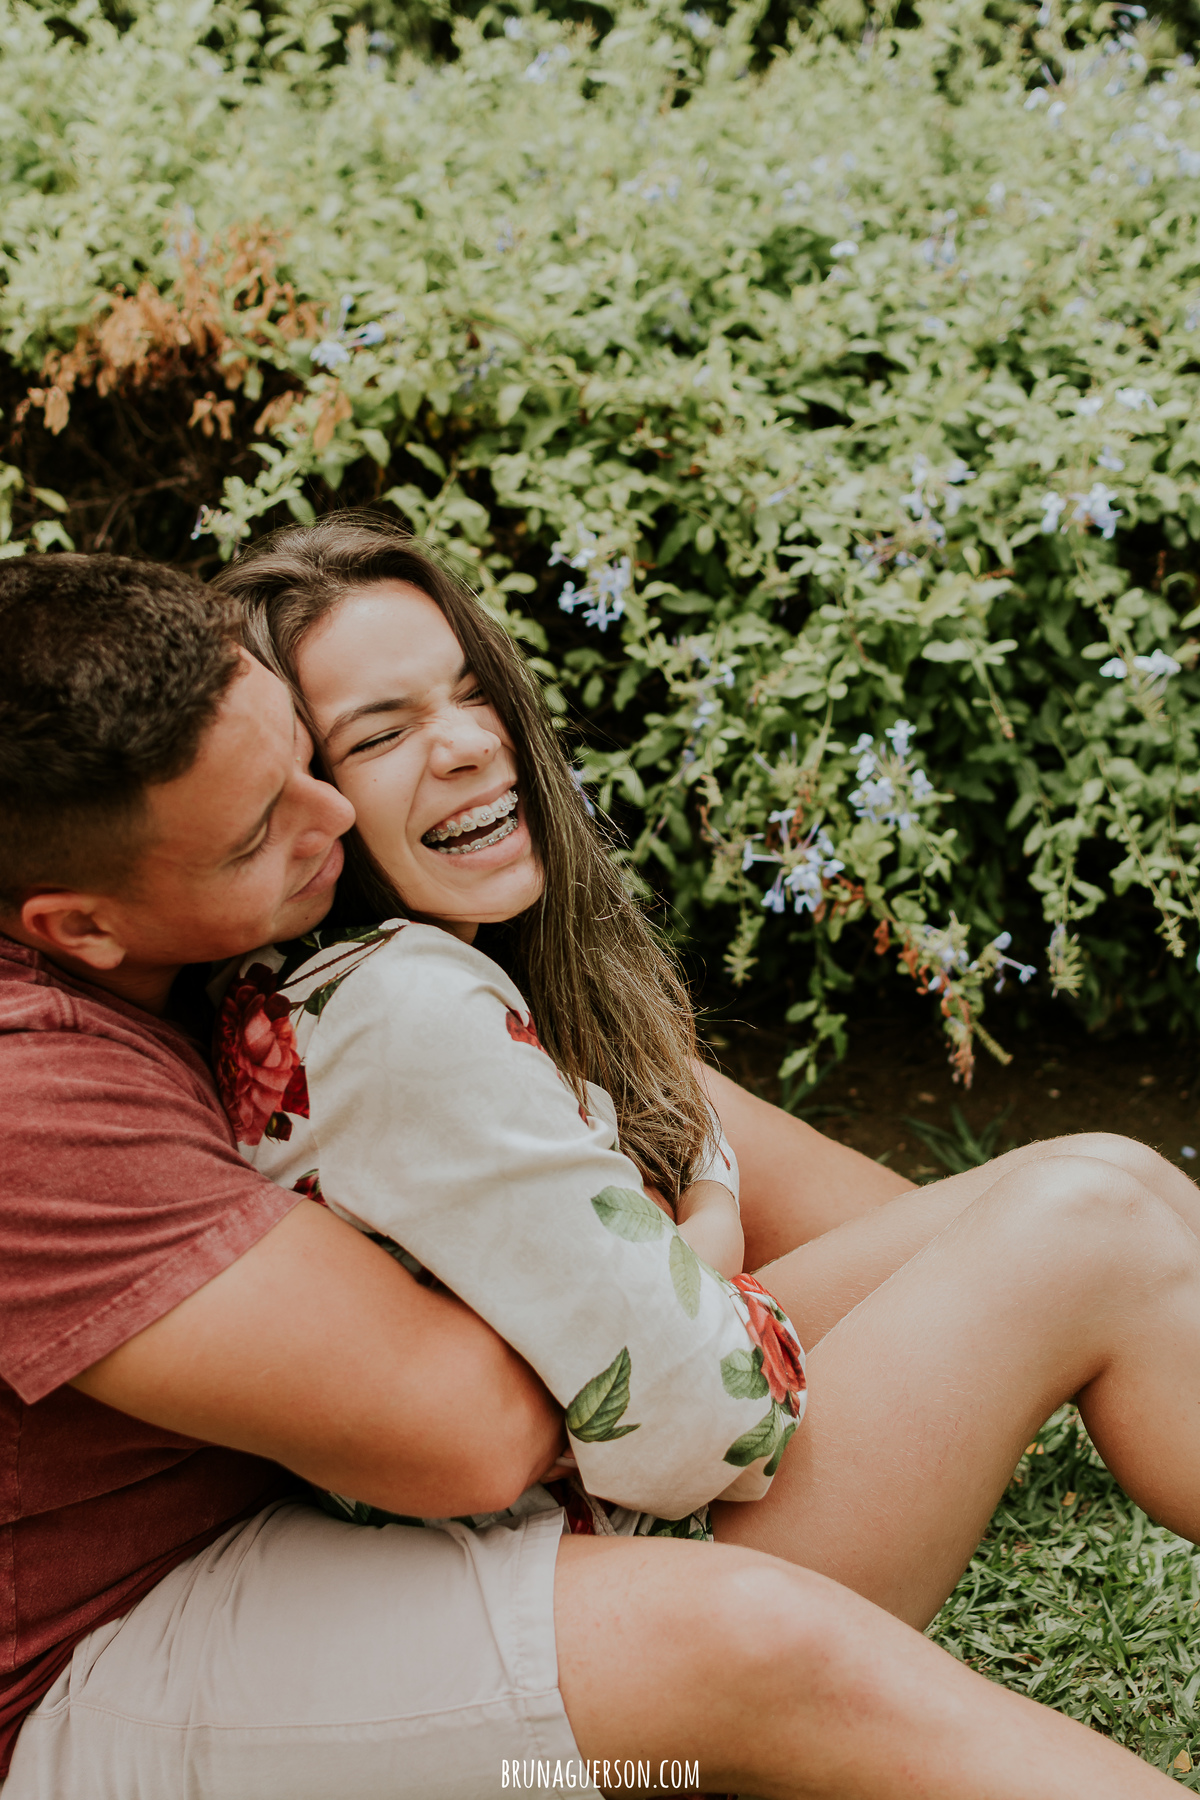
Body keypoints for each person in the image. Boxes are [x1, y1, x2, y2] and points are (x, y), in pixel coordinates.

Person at [0, 548, 1183, 1800]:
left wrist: (691, 1259)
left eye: (302, 754)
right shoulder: (77, 1086)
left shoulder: (263, 964)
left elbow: (769, 1195)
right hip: (112, 1669)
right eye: (273, 817)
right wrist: (691, 1244)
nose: (332, 821)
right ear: (79, 925)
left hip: (373, 1549)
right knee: (772, 1632)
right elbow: (488, 1438)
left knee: (1096, 1194)